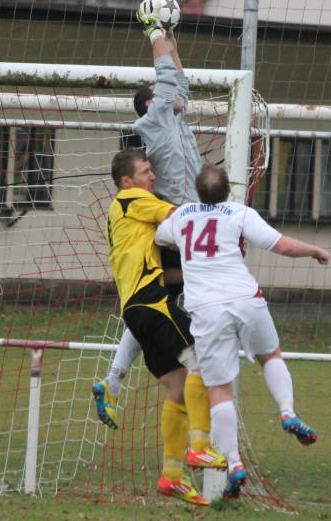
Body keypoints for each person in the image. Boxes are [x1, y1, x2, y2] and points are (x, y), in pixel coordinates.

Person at [155, 164, 331, 499]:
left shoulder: (181, 217)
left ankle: (234, 462)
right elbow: (281, 245)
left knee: (219, 390)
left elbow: (159, 236)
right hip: (245, 300)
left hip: (207, 311)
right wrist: (314, 251)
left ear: (198, 192)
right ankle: (287, 411)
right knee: (270, 355)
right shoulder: (240, 213)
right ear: (228, 191)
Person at [92, 0, 202, 432]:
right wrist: (153, 31)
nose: (170, 88)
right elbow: (168, 81)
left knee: (156, 302)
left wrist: (170, 36)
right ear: (149, 104)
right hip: (175, 225)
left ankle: (114, 379)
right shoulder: (154, 122)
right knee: (169, 301)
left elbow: (179, 82)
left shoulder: (175, 117)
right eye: (161, 90)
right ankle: (196, 365)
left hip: (186, 224)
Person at [104, 148, 222, 506]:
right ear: (127, 181)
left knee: (178, 384)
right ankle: (199, 446)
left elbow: (166, 267)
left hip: (138, 307)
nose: (152, 176)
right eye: (145, 172)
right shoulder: (132, 199)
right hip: (151, 302)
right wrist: (219, 222)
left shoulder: (126, 212)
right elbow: (177, 216)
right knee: (202, 356)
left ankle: (171, 476)